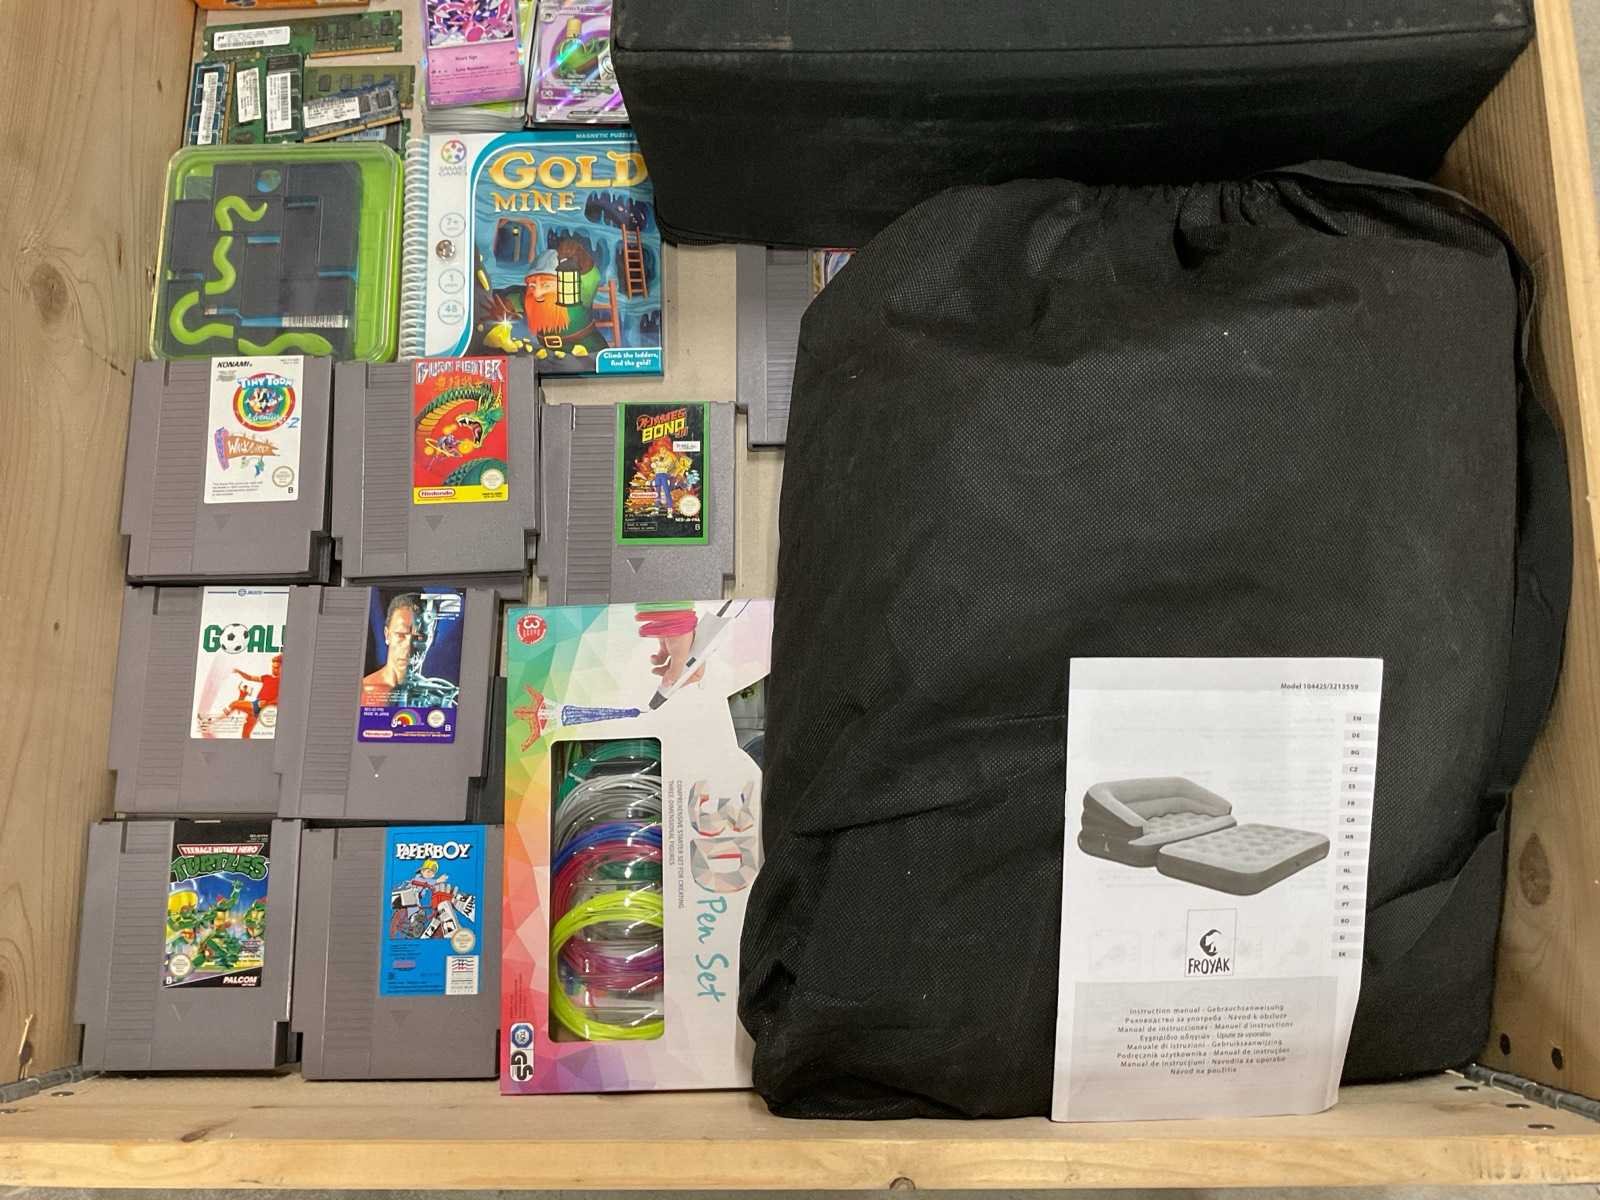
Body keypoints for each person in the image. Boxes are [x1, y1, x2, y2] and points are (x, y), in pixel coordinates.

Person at [362, 593, 421, 706]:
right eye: (401, 635)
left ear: (432, 638)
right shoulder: (363, 692)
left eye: (419, 637)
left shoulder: (443, 697)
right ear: (387, 635)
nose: (408, 647)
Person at [222, 655, 281, 738]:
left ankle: (215, 720)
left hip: (262, 707)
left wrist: (267, 703)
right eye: (273, 667)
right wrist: (239, 672)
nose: (274, 669)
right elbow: (249, 677)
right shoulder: (267, 677)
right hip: (257, 704)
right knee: (245, 735)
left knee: (234, 704)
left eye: (277, 667)